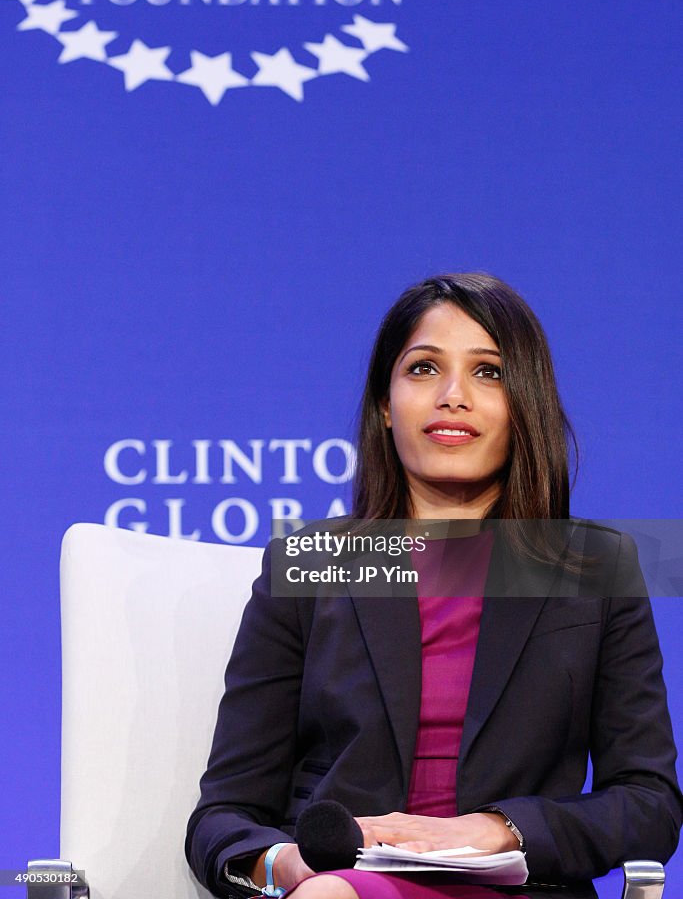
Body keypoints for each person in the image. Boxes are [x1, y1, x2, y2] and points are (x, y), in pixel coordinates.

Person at [185, 273, 682, 899]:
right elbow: (223, 817)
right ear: (385, 405)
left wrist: (500, 829)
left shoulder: (594, 567)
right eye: (422, 369)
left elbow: (649, 804)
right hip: (343, 884)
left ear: (524, 404)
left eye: (488, 373)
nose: (453, 396)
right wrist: (285, 865)